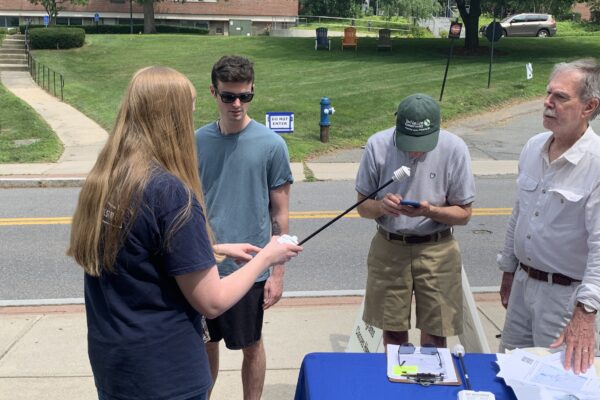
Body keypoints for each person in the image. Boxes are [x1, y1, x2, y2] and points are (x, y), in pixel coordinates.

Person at [67, 66, 302, 400]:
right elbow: (211, 301)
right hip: (165, 372)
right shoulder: (169, 192)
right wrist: (268, 255)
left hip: (114, 363)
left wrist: (214, 248)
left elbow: (143, 252)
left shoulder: (107, 180)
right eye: (188, 112)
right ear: (172, 119)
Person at [195, 55, 293, 400]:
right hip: (203, 264)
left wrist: (277, 273)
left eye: (244, 96)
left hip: (250, 268)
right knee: (206, 343)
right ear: (213, 92)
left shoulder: (272, 146)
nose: (237, 104)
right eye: (228, 96)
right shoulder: (197, 142)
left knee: (250, 345)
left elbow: (280, 215)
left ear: (252, 92)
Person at [497, 58, 600, 374]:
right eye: (547, 93)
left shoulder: (596, 163)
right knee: (509, 372)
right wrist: (508, 269)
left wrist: (586, 313)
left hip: (565, 300)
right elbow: (520, 212)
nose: (547, 102)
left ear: (589, 106)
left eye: (560, 97)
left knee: (556, 383)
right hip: (523, 286)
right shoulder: (532, 148)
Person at [355, 93, 475, 349]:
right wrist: (381, 206)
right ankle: (397, 383)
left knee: (436, 332)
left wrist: (429, 211)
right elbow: (362, 207)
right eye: (409, 142)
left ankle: (430, 384)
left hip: (437, 248)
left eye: (423, 143)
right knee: (393, 332)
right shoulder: (377, 145)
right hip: (390, 247)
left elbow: (464, 213)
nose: (415, 150)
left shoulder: (455, 148)